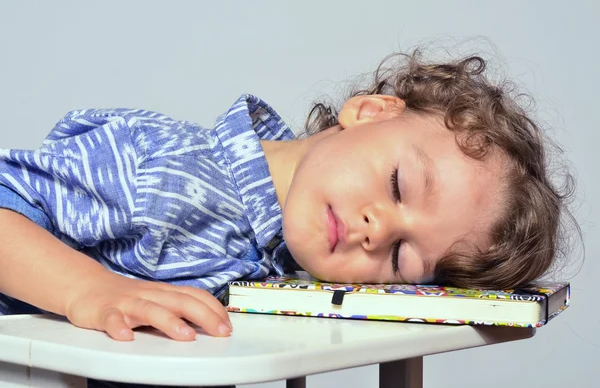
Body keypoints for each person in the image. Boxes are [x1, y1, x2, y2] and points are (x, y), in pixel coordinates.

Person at [0, 49, 573, 343]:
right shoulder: (168, 174)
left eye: (401, 256)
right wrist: (92, 292)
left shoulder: (288, 266)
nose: (376, 230)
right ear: (369, 113)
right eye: (398, 185)